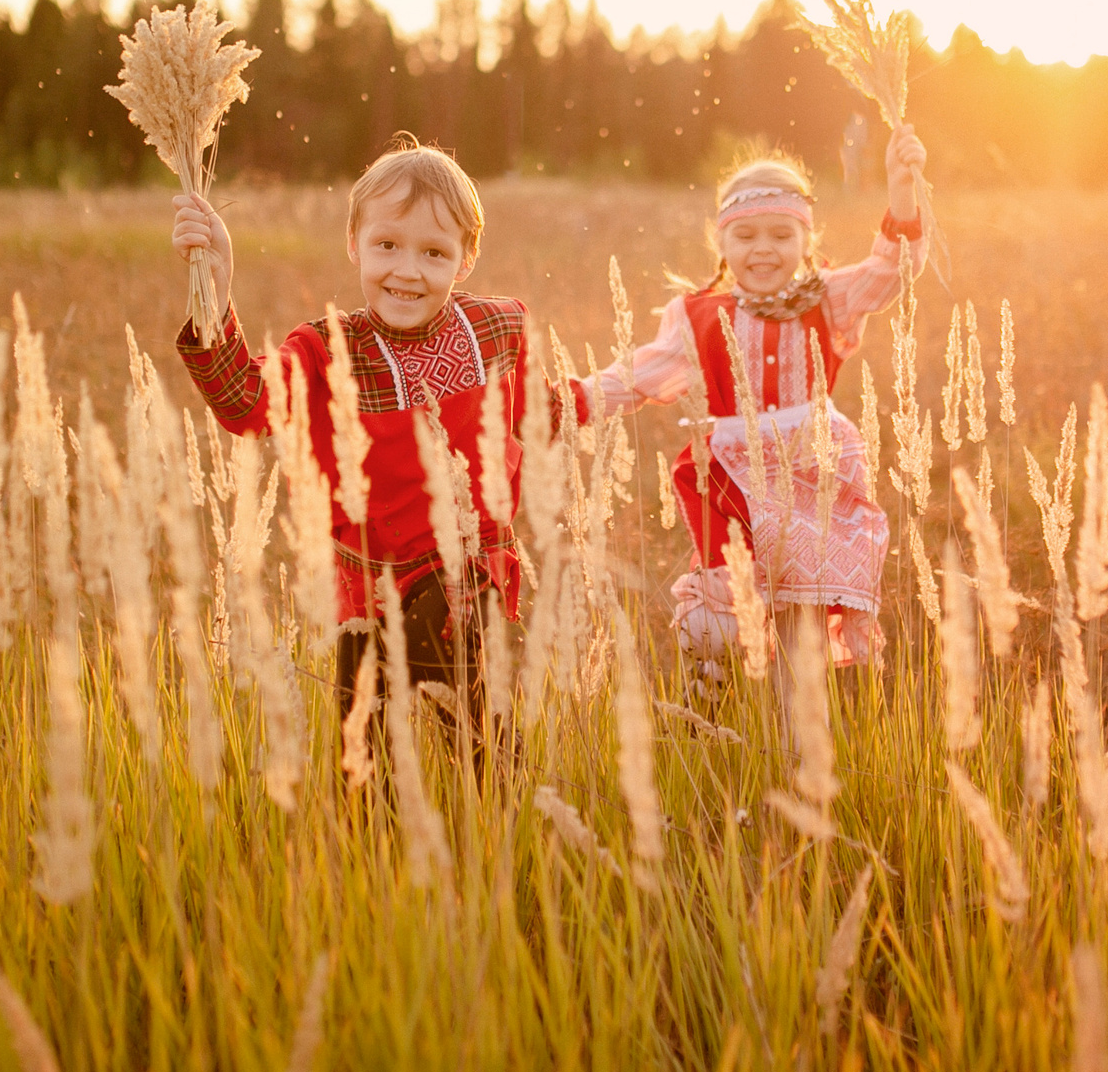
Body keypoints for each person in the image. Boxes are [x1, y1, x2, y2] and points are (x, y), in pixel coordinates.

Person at [171, 135, 530, 722]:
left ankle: (499, 799)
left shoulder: (496, 328)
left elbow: (536, 409)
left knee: (477, 742)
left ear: (466, 258)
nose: (407, 272)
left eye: (434, 253)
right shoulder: (327, 351)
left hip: (461, 573)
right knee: (363, 767)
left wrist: (614, 391)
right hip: (366, 591)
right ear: (354, 244)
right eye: (387, 244)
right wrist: (214, 285)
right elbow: (246, 405)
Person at [575, 124, 928, 667]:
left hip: (813, 468)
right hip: (733, 480)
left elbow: (889, 272)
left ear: (805, 240)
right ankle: (711, 701)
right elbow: (638, 374)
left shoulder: (827, 296)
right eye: (746, 236)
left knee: (800, 627)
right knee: (713, 621)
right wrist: (568, 399)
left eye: (781, 235)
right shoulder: (698, 317)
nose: (764, 249)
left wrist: (901, 193)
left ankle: (793, 735)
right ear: (721, 241)